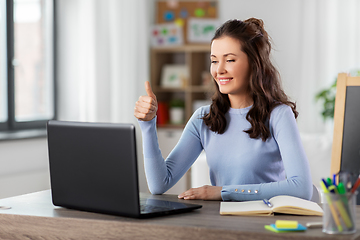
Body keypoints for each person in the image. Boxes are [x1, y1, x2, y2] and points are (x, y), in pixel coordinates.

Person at [134, 18, 312, 201]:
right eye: (214, 61)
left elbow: (301, 188)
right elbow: (159, 184)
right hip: (220, 222)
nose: (219, 70)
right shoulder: (204, 118)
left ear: (254, 64)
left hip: (264, 223)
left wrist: (223, 192)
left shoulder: (278, 115)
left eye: (230, 60)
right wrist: (148, 125)